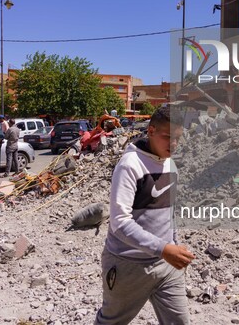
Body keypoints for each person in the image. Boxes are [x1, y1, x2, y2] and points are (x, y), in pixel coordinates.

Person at [95, 105, 194, 325]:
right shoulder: (130, 165)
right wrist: (164, 248)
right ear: (151, 131)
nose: (174, 144)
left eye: (178, 138)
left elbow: (170, 212)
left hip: (166, 266)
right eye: (168, 137)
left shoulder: (171, 164)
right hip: (128, 265)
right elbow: (119, 223)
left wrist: (173, 244)